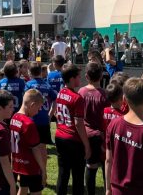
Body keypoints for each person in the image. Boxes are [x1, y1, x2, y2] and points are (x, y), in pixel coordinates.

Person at [54, 63, 90, 195]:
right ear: (72, 78)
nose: (80, 79)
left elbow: (57, 113)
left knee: (63, 173)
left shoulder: (60, 93)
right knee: (78, 175)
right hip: (73, 140)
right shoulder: (77, 98)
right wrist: (87, 145)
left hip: (60, 136)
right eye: (78, 77)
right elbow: (79, 123)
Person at [77, 62, 107, 195]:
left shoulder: (81, 92)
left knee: (91, 166)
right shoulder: (105, 95)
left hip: (87, 135)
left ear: (86, 76)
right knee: (106, 165)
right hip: (101, 136)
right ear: (101, 76)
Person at [10, 89, 46, 195]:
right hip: (31, 167)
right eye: (38, 108)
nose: (38, 112)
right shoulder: (28, 123)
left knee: (23, 188)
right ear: (32, 105)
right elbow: (35, 149)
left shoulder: (14, 117)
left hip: (18, 164)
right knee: (36, 192)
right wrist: (43, 170)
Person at [24, 62, 57, 169]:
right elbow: (55, 100)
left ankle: (30, 169)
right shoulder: (47, 85)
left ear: (30, 72)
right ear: (40, 72)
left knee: (30, 146)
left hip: (31, 120)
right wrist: (50, 115)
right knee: (43, 147)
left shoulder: (29, 85)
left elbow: (25, 101)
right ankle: (43, 171)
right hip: (44, 120)